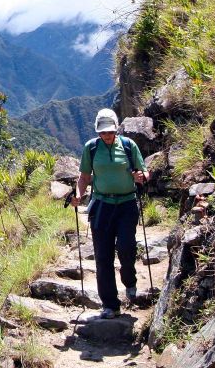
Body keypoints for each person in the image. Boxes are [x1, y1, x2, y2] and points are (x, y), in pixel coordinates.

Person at [70, 108, 149, 319]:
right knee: (103, 256)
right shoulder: (92, 148)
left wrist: (140, 176)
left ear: (116, 129)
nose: (106, 135)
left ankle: (129, 281)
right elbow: (84, 177)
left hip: (126, 205)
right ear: (97, 132)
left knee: (126, 247)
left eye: (110, 131)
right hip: (102, 205)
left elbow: (144, 171)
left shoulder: (128, 146)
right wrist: (78, 195)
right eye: (103, 132)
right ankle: (110, 304)